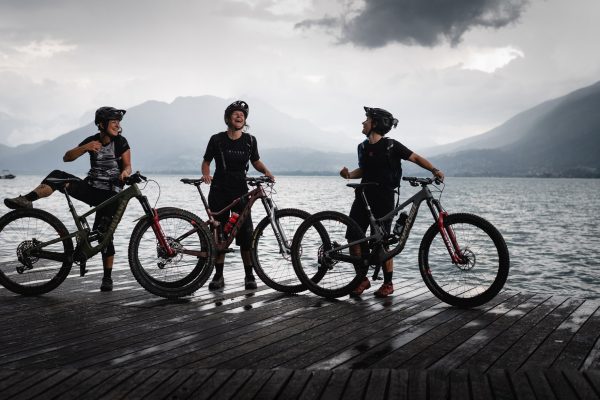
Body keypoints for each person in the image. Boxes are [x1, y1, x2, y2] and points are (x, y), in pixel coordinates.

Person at [4, 106, 132, 292]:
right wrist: (86, 147)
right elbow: (67, 157)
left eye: (118, 122)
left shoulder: (121, 142)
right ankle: (26, 199)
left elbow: (127, 166)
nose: (117, 125)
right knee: (57, 175)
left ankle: (107, 278)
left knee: (104, 234)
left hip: (112, 195)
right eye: (114, 122)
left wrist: (125, 174)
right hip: (92, 190)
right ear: (102, 125)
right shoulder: (92, 141)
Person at [340, 106, 445, 298]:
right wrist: (348, 175)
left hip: (384, 196)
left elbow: (414, 157)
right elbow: (363, 170)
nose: (363, 123)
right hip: (363, 196)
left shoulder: (391, 145)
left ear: (375, 123)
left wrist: (434, 169)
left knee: (382, 240)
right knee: (353, 237)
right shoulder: (362, 147)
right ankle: (361, 279)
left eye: (366, 119)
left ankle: (388, 283)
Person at [202, 100, 275, 291]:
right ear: (228, 118)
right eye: (235, 113)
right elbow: (206, 161)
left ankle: (249, 275)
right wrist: (206, 173)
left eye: (242, 114)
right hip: (218, 190)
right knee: (219, 234)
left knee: (245, 233)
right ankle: (218, 276)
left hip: (241, 191)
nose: (239, 116)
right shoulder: (216, 139)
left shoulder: (250, 140)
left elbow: (256, 161)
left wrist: (266, 171)